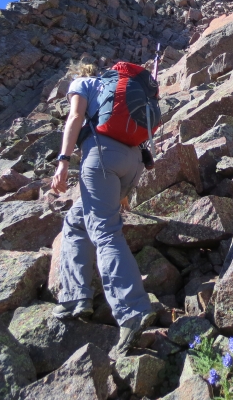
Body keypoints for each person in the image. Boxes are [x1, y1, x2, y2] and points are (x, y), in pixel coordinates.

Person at [50, 60, 156, 355]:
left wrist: (63, 161)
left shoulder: (82, 84)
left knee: (106, 232)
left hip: (102, 157)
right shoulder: (120, 87)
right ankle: (74, 297)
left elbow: (74, 118)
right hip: (133, 161)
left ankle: (132, 311)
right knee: (76, 221)